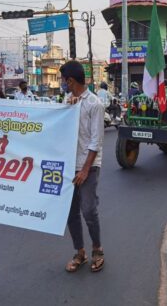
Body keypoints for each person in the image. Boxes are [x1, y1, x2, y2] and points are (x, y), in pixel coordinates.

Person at [60, 61, 105, 273]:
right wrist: (68, 107)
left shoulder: (95, 104)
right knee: (71, 213)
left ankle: (97, 248)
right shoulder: (67, 101)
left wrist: (85, 170)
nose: (63, 85)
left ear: (70, 80)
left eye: (64, 81)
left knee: (88, 210)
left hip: (89, 166)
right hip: (69, 165)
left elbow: (96, 142)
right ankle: (80, 252)